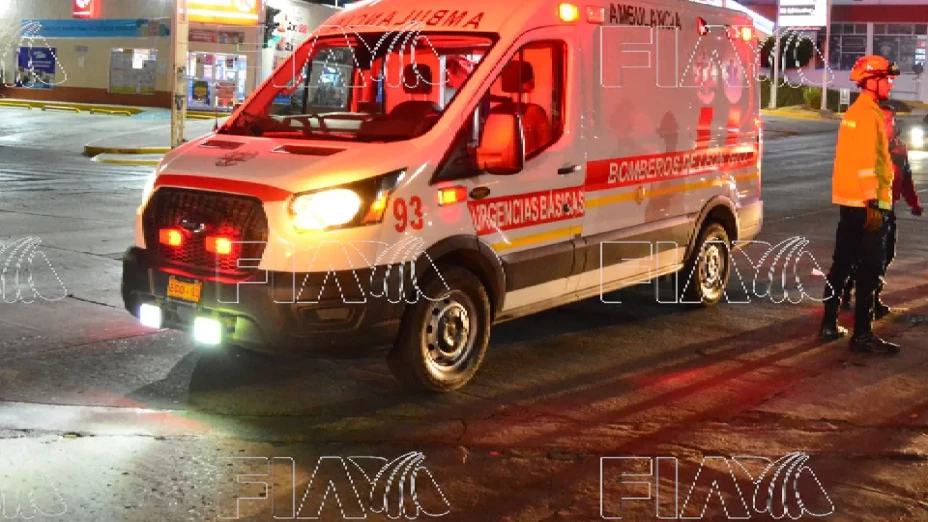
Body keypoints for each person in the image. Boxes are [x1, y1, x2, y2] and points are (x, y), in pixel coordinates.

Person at [819, 55, 901, 354]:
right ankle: (863, 335)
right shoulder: (868, 115)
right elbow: (867, 163)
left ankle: (829, 324)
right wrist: (873, 203)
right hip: (867, 204)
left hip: (850, 201)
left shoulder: (856, 112)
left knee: (842, 263)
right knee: (870, 269)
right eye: (887, 79)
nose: (890, 84)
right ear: (871, 81)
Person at [840, 104, 923, 313]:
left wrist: (913, 203)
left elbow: (905, 177)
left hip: (887, 209)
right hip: (864, 209)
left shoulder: (899, 147)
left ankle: (872, 296)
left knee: (886, 255)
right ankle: (847, 295)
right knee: (859, 255)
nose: (885, 125)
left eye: (888, 120)